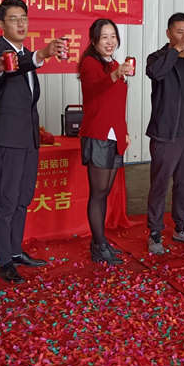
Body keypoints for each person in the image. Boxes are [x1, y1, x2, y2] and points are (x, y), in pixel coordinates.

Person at [0, 0, 64, 283]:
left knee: (22, 198)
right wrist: (42, 54)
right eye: (14, 18)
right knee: (6, 201)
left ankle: (15, 251)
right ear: (0, 24)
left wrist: (35, 55)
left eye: (24, 18)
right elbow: (12, 67)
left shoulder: (26, 53)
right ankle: (4, 261)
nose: (21, 23)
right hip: (7, 140)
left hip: (29, 140)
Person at [145, 13, 184, 254]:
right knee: (160, 184)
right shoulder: (157, 57)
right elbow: (156, 73)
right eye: (179, 32)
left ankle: (182, 227)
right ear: (168, 33)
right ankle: (155, 232)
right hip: (165, 134)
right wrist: (177, 48)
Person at [78, 18, 131, 265]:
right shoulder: (90, 63)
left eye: (113, 36)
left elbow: (118, 104)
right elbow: (96, 89)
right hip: (97, 134)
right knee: (98, 193)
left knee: (105, 192)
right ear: (94, 41)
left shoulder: (115, 64)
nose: (110, 42)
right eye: (104, 37)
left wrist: (124, 131)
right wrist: (116, 74)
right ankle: (99, 246)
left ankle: (99, 241)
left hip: (114, 135)